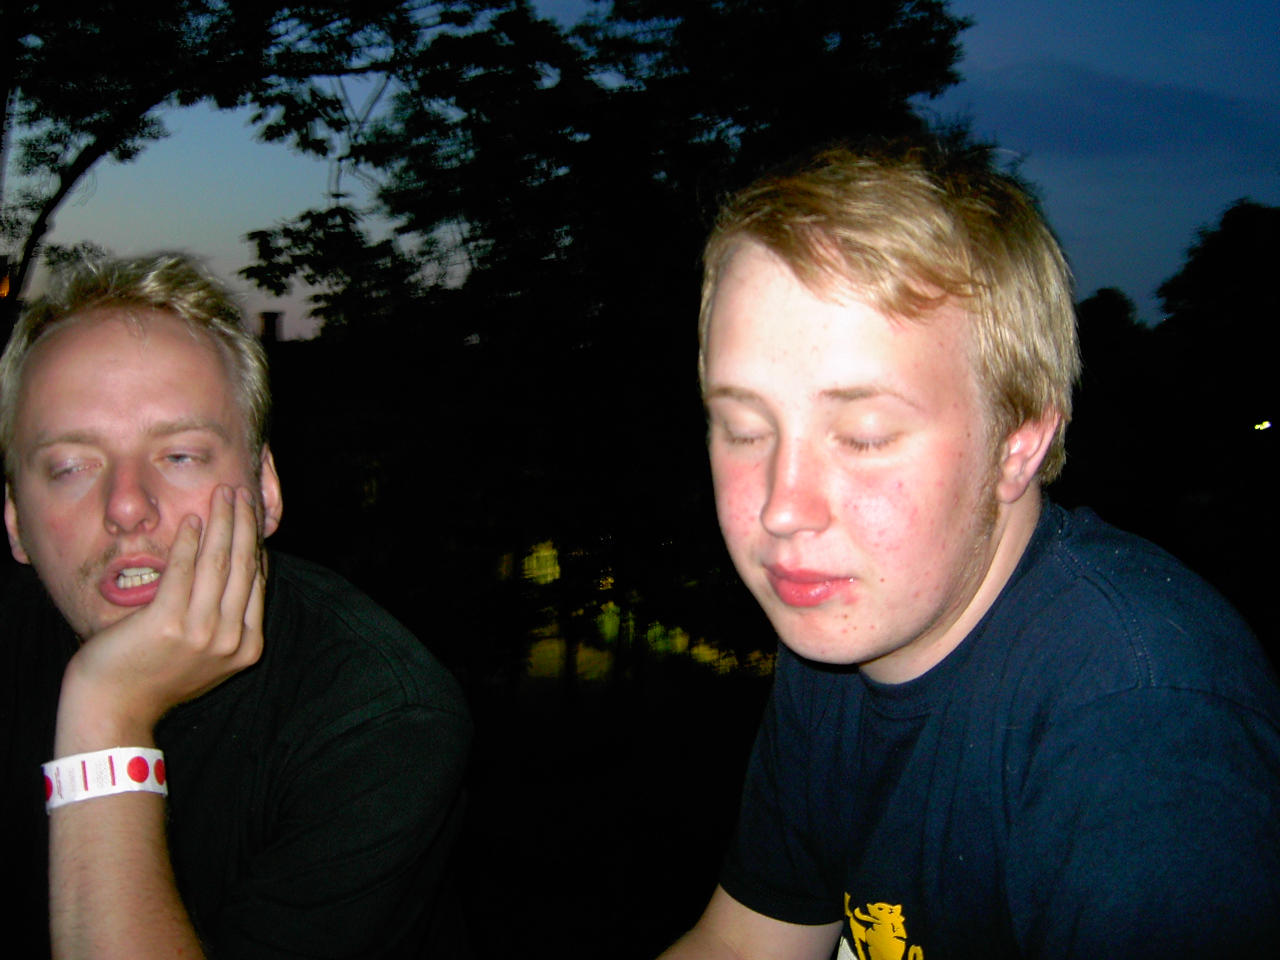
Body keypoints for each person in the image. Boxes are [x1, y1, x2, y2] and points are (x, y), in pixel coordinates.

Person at [661, 140, 1280, 959]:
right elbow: (745, 944)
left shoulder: (1143, 723)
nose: (783, 508)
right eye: (743, 428)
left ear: (1019, 442)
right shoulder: (840, 630)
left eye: (864, 434)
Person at [0, 255, 472, 959]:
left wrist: (106, 713)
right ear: (15, 523)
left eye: (180, 456)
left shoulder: (385, 718)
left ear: (266, 491)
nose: (127, 506)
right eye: (70, 466)